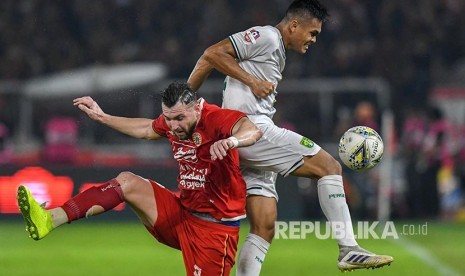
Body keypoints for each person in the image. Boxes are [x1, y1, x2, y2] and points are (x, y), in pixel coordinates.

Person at [187, 0, 393, 273]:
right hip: (251, 130)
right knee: (329, 167)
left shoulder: (276, 50)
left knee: (264, 226)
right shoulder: (268, 37)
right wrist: (253, 82)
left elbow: (206, 60)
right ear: (294, 25)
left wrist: (183, 99)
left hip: (239, 142)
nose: (313, 40)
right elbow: (212, 53)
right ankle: (348, 249)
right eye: (312, 33)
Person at [17, 81, 263, 275]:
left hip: (215, 230)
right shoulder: (171, 122)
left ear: (197, 107)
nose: (174, 126)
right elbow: (147, 129)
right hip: (181, 216)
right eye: (168, 118)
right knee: (127, 181)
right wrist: (103, 117)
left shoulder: (215, 118)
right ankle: (49, 220)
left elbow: (252, 130)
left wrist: (232, 141)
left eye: (180, 118)